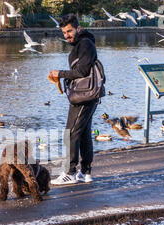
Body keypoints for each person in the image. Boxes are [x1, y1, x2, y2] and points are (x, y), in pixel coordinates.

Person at [49, 13, 101, 185]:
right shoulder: (82, 44)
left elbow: (83, 71)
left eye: (69, 31)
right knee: (84, 134)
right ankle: (85, 172)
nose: (67, 35)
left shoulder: (85, 44)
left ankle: (69, 172)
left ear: (78, 28)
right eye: (64, 33)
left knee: (70, 133)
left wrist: (60, 74)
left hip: (84, 96)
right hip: (87, 95)